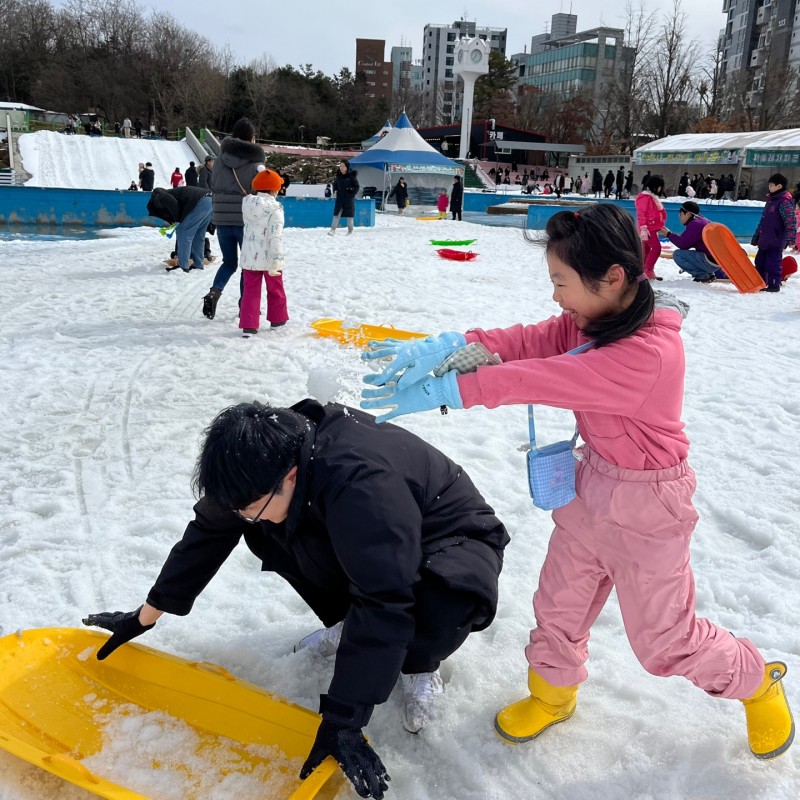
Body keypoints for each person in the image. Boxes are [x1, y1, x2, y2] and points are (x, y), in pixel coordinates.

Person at [359, 202, 794, 764]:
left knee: (665, 642)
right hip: (590, 491)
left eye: (562, 282)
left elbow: (544, 377)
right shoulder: (595, 318)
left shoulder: (649, 353)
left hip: (650, 508)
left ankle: (756, 680)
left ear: (613, 277)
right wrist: (450, 346)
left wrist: (456, 390)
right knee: (559, 604)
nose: (557, 296)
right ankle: (552, 694)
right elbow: (531, 341)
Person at [83, 397, 509, 800]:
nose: (245, 515)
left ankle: (419, 664)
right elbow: (210, 530)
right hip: (376, 539)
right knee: (275, 529)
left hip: (452, 542)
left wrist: (344, 721)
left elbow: (385, 599)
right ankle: (351, 625)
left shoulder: (359, 483)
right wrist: (144, 615)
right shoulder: (256, 459)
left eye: (250, 506)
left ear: (289, 476)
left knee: (434, 609)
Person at [202, 117, 266, 321]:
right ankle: (244, 306)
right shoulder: (256, 163)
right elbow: (261, 191)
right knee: (247, 265)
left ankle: (214, 292)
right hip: (245, 221)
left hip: (221, 220)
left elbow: (213, 184)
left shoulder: (220, 160)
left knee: (229, 262)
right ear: (252, 138)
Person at [238, 168, 288, 336]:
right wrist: (277, 259)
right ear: (274, 189)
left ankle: (249, 326)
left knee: (250, 291)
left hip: (249, 257)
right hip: (269, 258)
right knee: (275, 289)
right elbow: (275, 236)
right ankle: (277, 320)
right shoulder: (276, 208)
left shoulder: (247, 204)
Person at [146, 186, 213, 274]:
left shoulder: (158, 197)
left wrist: (177, 220)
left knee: (183, 232)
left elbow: (172, 204)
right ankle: (198, 264)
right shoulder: (173, 193)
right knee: (198, 236)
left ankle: (183, 266)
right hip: (210, 201)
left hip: (199, 202)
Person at [751, 172, 796, 293]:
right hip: (765, 239)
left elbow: (790, 221)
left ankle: (774, 284)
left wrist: (791, 239)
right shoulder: (771, 200)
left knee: (773, 264)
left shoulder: (784, 202)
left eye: (771, 185)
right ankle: (760, 282)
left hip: (776, 240)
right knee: (759, 263)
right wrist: (756, 237)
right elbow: (763, 221)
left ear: (779, 186)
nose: (769, 187)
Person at [660, 201, 718, 282]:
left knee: (678, 255)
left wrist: (669, 234)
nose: (679, 217)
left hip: (709, 262)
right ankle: (710, 275)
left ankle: (702, 276)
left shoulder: (695, 224)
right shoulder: (703, 221)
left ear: (687, 214)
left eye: (680, 214)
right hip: (716, 261)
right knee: (692, 253)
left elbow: (683, 244)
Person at [635, 174, 666, 280]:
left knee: (646, 249)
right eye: (660, 187)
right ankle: (648, 270)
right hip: (648, 228)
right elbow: (641, 213)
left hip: (652, 227)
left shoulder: (652, 198)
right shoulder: (645, 197)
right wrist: (643, 228)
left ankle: (643, 270)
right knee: (656, 248)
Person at [329, 159, 359, 234]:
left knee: (350, 216)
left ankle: (350, 231)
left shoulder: (351, 176)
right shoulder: (338, 176)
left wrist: (351, 193)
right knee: (336, 214)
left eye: (343, 166)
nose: (341, 168)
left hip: (349, 199)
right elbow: (334, 184)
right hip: (340, 199)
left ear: (347, 167)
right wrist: (335, 189)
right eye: (340, 166)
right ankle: (333, 230)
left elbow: (356, 187)